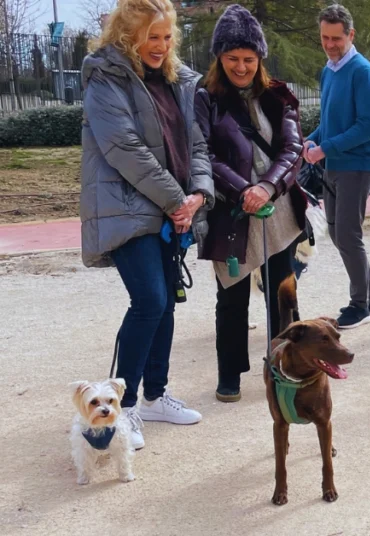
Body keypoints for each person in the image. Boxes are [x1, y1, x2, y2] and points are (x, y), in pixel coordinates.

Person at [79, 0, 213, 449]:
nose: (160, 46)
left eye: (166, 36)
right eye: (150, 37)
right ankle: (125, 405)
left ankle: (155, 395)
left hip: (172, 211)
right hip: (127, 208)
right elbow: (123, 148)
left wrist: (199, 196)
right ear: (127, 36)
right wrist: (180, 201)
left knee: (167, 304)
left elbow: (197, 145)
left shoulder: (179, 81)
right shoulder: (105, 78)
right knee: (150, 301)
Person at [194, 4, 307, 403]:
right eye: (231, 58)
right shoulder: (206, 98)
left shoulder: (278, 95)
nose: (240, 67)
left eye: (248, 58)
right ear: (219, 58)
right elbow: (203, 153)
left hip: (277, 207)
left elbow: (294, 147)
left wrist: (269, 187)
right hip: (231, 208)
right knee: (232, 294)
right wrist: (245, 189)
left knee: (283, 290)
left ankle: (285, 363)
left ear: (259, 58)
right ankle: (230, 375)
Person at [303, 3, 370, 329]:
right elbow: (329, 121)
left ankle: (359, 305)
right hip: (334, 163)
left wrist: (325, 148)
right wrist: (311, 140)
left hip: (358, 164)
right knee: (338, 234)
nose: (330, 44)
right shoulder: (329, 70)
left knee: (348, 235)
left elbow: (367, 127)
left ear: (350, 35)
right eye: (325, 37)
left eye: (336, 38)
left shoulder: (363, 72)